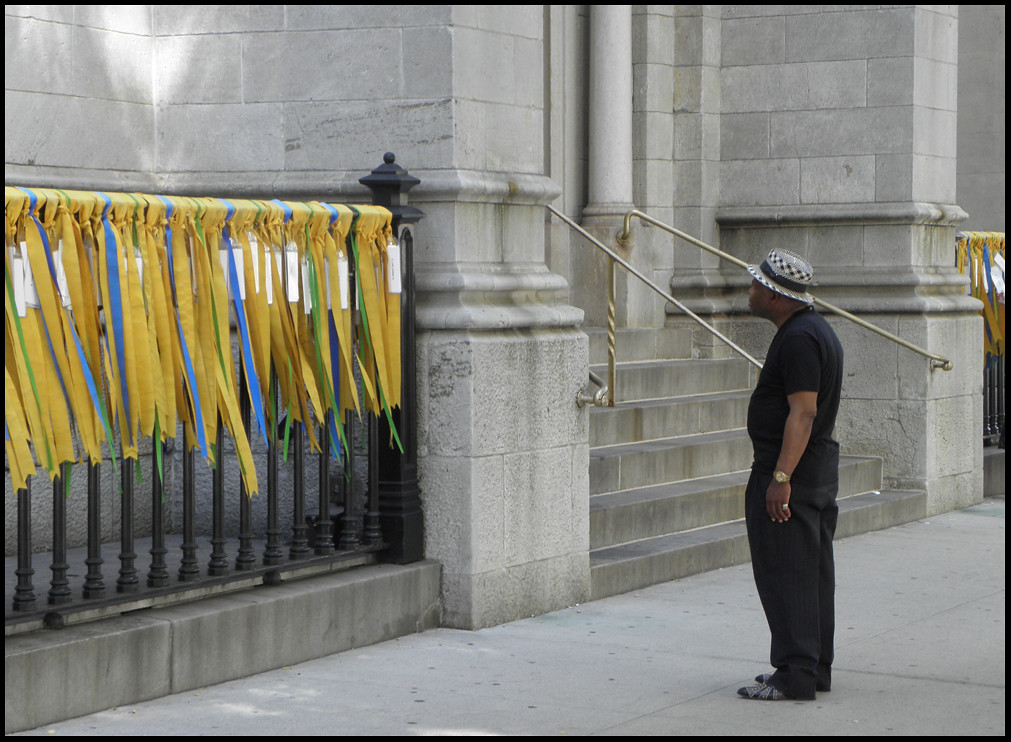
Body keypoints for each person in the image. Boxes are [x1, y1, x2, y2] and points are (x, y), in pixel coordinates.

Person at [736, 248, 844, 702]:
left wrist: (780, 480)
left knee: (787, 572)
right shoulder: (813, 331)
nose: (751, 289)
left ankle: (796, 674)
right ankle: (813, 666)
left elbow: (802, 413)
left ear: (777, 296)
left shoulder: (800, 338)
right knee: (811, 571)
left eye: (757, 284)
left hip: (791, 475)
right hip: (812, 469)